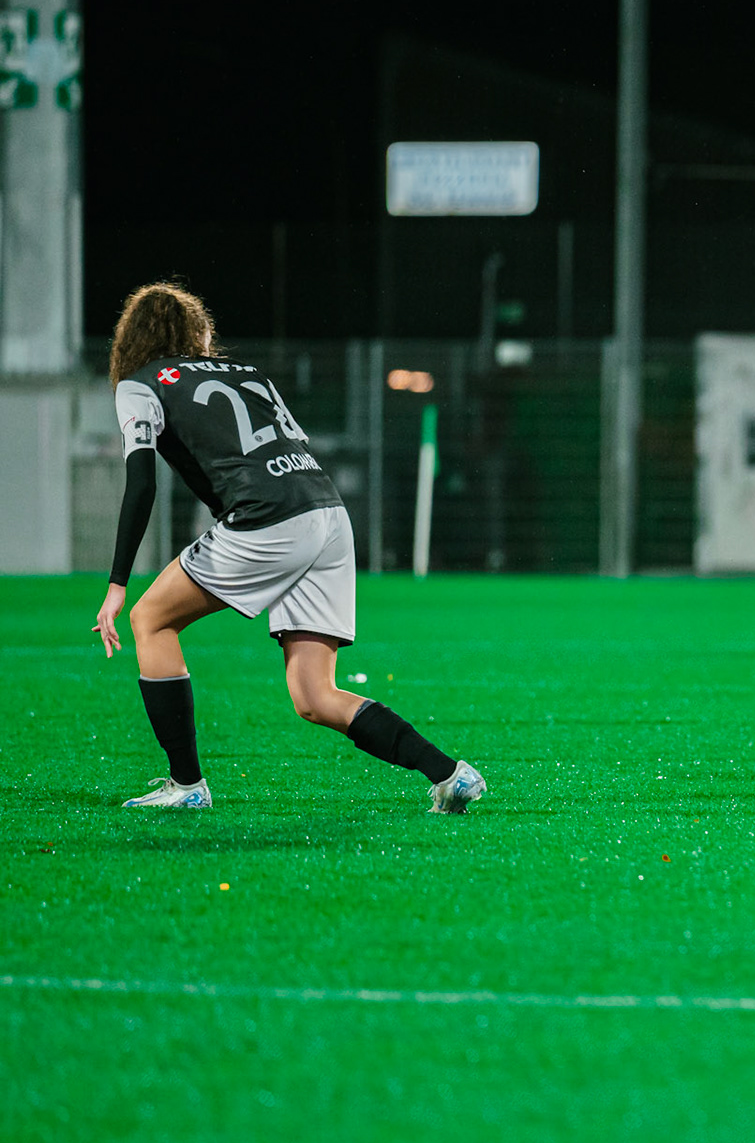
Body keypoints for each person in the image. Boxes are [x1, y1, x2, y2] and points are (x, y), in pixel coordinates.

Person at [90, 281, 486, 813]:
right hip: (327, 512)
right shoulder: (248, 372)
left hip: (268, 519)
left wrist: (116, 585)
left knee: (150, 620)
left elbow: (141, 483)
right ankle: (449, 774)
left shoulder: (140, 385)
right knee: (315, 696)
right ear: (195, 332)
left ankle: (187, 787)